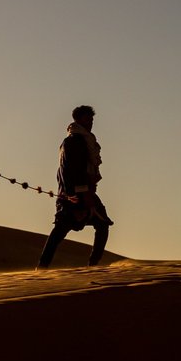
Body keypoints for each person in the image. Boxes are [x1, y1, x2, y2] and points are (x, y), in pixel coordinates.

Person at [37, 104, 113, 269]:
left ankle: (92, 266)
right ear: (78, 120)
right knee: (60, 230)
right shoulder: (73, 141)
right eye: (88, 119)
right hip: (74, 193)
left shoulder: (85, 140)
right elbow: (68, 169)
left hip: (83, 191)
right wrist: (79, 193)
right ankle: (42, 268)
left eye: (92, 119)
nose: (91, 122)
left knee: (102, 224)